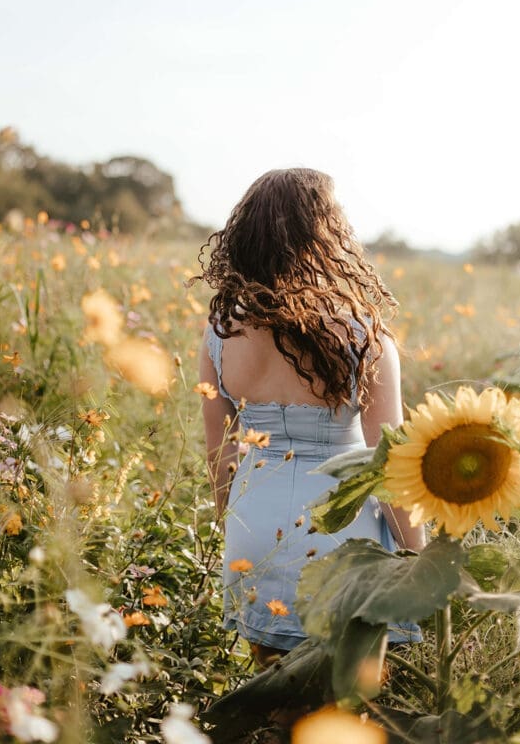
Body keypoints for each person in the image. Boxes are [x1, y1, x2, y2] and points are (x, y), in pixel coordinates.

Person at [195, 168, 424, 667]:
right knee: (346, 709)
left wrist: (232, 529)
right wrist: (417, 557)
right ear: (329, 237)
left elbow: (221, 454)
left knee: (274, 705)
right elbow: (390, 461)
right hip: (343, 538)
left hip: (254, 531)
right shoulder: (365, 335)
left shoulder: (220, 332)